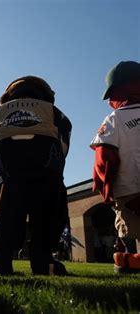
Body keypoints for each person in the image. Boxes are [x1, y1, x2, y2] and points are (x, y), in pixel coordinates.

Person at [0, 76, 71, 275]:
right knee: (46, 219)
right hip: (46, 176)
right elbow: (63, 146)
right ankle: (43, 262)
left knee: (5, 219)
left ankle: (0, 262)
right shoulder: (55, 112)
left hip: (8, 178)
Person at [90, 60, 140, 273]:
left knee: (129, 228)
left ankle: (130, 261)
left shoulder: (115, 119)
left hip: (129, 189)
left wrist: (103, 186)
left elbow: (104, 158)